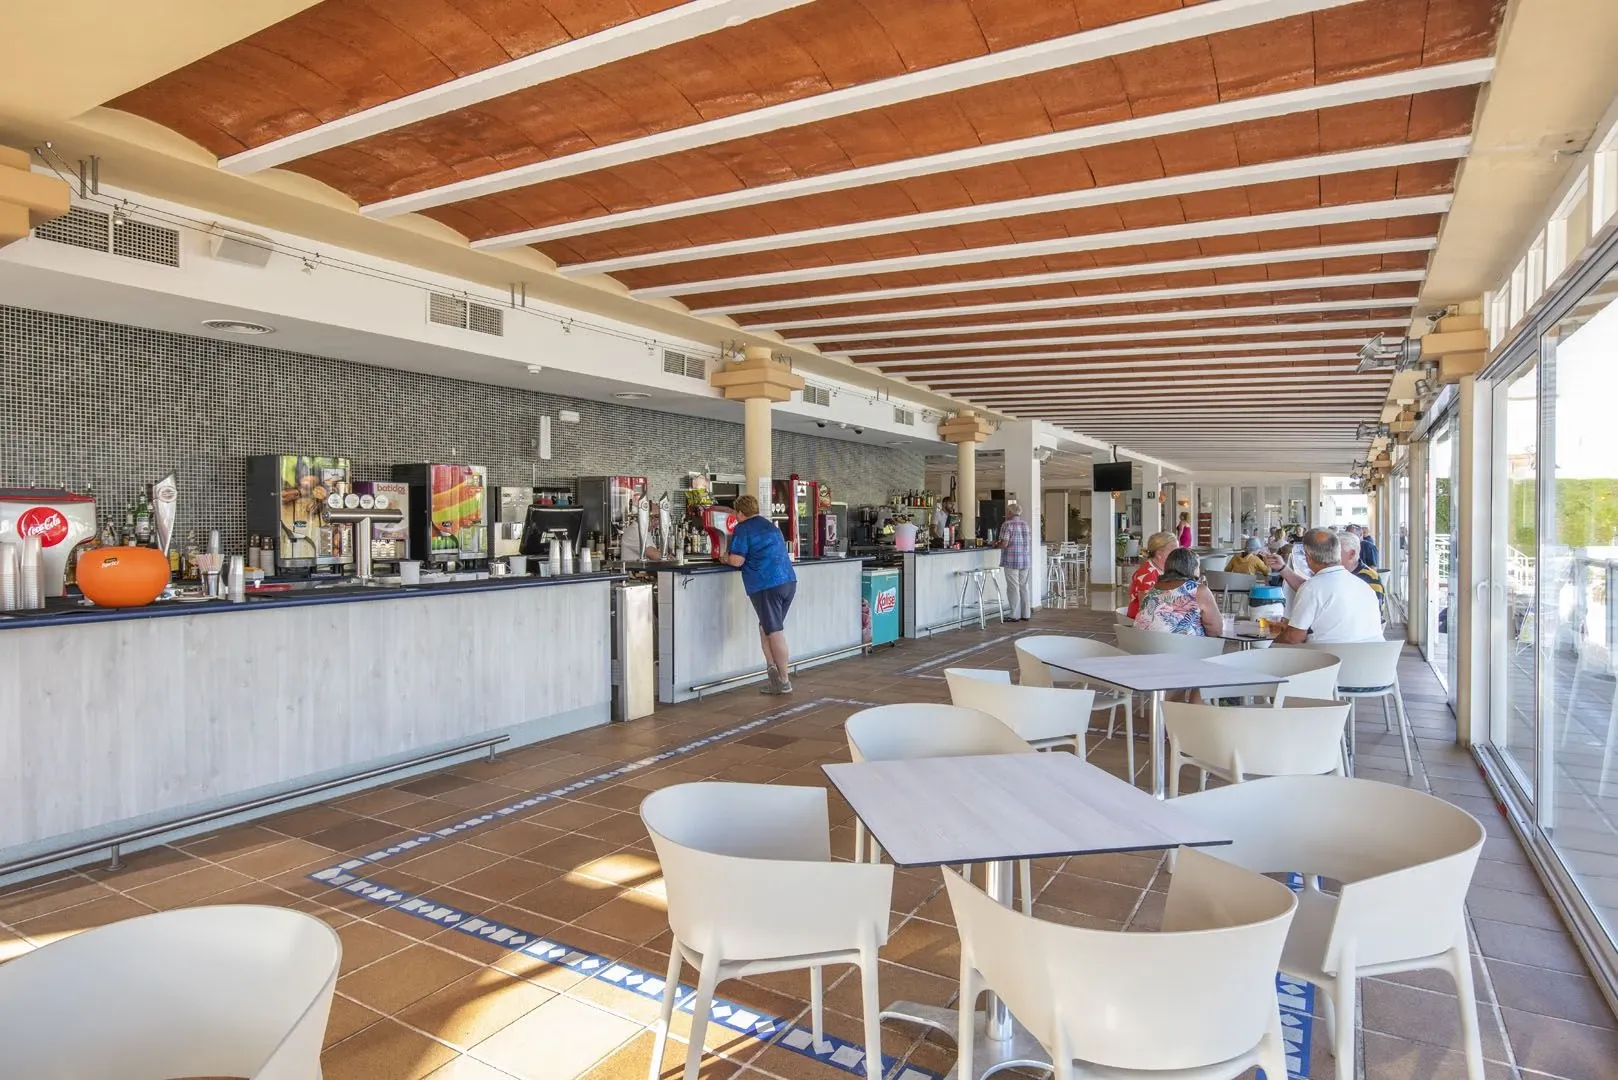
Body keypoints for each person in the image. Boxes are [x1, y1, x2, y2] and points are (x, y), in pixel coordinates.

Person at [721, 494, 798, 695]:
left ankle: (784, 681)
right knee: (766, 628)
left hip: (766, 585)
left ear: (740, 512)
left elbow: (737, 561)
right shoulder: (771, 526)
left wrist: (724, 558)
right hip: (788, 582)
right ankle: (773, 671)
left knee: (774, 632)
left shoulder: (743, 528)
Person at [1272, 529, 1383, 644]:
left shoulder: (1312, 587)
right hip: (1375, 653)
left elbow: (1293, 637)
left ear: (1308, 558)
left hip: (1331, 654)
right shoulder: (1364, 586)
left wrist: (1270, 648)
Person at [1134, 547, 1222, 637]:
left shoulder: (1154, 589)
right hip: (1181, 645)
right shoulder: (1198, 590)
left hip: (1142, 643)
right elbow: (1215, 630)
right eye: (1198, 566)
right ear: (1192, 568)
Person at [997, 500, 1034, 622]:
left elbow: (1005, 543)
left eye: (1006, 511)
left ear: (1009, 512)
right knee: (1024, 587)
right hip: (1025, 560)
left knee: (1013, 587)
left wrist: (996, 544)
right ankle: (1026, 614)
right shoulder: (1026, 524)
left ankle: (1014, 615)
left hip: (1011, 560)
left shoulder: (1007, 524)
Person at [1126, 531, 1176, 620]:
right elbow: (1146, 608)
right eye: (1174, 551)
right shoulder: (1147, 574)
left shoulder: (1163, 569)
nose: (1178, 555)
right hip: (1142, 621)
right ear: (1159, 554)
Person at [1341, 530, 1387, 625]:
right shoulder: (1341, 574)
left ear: (1352, 554)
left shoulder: (1370, 579)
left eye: (1336, 553)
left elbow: (1372, 617)